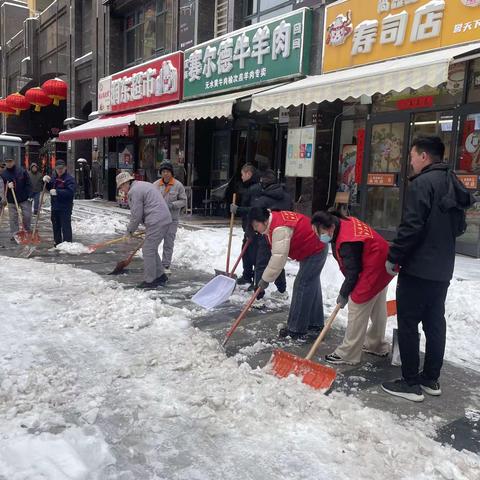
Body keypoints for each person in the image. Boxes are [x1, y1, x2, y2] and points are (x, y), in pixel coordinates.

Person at [382, 136, 475, 402]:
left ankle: (410, 382)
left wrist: (395, 256)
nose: (410, 160)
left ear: (424, 156)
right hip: (442, 268)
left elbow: (411, 226)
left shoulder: (423, 183)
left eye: (412, 155)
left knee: (408, 322)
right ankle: (430, 379)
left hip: (418, 268)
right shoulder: (452, 181)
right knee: (435, 323)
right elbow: (459, 227)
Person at [311, 211, 394, 365]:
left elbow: (353, 273)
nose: (319, 237)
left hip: (375, 266)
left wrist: (344, 294)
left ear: (331, 228)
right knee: (377, 305)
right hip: (384, 261)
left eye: (320, 233)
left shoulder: (347, 242)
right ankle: (376, 345)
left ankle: (348, 353)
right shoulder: (344, 222)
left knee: (357, 304)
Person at [249, 207, 327, 339]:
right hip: (312, 246)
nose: (256, 230)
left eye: (256, 226)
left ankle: (296, 329)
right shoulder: (273, 221)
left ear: (265, 221)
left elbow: (279, 258)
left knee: (302, 285)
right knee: (311, 283)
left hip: (315, 248)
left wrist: (265, 279)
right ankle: (315, 323)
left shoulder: (279, 229)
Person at [116, 171, 172, 288]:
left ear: (126, 183)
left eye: (121, 186)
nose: (122, 190)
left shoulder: (134, 191)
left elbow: (136, 215)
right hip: (162, 218)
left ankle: (150, 281)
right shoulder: (143, 184)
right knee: (151, 248)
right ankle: (160, 276)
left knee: (148, 249)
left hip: (156, 220)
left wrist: (129, 231)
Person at [251, 169, 293, 299]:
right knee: (277, 259)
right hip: (284, 232)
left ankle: (258, 296)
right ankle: (281, 290)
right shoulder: (287, 197)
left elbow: (254, 218)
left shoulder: (262, 200)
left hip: (266, 233)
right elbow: (291, 211)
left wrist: (251, 232)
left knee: (261, 264)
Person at [230, 163, 262, 287]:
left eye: (242, 174)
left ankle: (255, 281)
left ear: (249, 174)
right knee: (246, 252)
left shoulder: (255, 189)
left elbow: (254, 209)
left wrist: (238, 210)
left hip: (255, 227)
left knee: (254, 255)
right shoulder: (250, 187)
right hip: (249, 226)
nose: (241, 177)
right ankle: (247, 275)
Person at [153, 161, 187, 274]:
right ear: (161, 173)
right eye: (163, 172)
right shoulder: (155, 185)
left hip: (172, 220)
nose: (166, 174)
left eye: (168, 171)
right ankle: (155, 264)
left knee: (168, 243)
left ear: (171, 173)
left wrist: (172, 205)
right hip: (158, 220)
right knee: (154, 243)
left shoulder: (178, 185)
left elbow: (184, 201)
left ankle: (166, 266)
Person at [43, 160, 76, 246]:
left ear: (65, 168)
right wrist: (46, 182)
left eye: (61, 168)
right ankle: (57, 243)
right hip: (55, 207)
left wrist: (58, 192)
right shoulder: (54, 178)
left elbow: (70, 192)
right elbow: (50, 188)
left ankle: (67, 244)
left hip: (65, 207)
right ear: (55, 169)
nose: (60, 170)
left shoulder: (69, 179)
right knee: (56, 226)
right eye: (58, 168)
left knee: (66, 227)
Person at [0, 158, 32, 240]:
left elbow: (28, 183)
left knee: (27, 216)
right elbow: (2, 187)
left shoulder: (21, 171)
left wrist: (29, 194)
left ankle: (27, 231)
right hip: (11, 199)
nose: (9, 163)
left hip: (23, 198)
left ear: (14, 162)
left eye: (10, 161)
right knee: (13, 217)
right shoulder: (4, 174)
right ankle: (16, 234)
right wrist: (4, 197)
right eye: (7, 162)